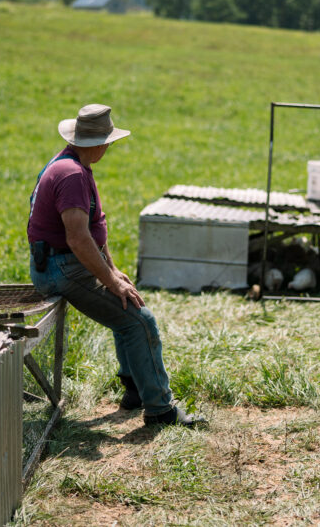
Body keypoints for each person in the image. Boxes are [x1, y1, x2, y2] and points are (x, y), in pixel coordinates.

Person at [27, 104, 203, 427]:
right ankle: (160, 408)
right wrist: (110, 280)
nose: (109, 146)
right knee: (140, 321)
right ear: (94, 143)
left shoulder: (68, 164)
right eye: (107, 140)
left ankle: (135, 389)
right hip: (62, 267)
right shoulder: (72, 175)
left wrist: (113, 269)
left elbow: (93, 226)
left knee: (127, 303)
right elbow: (78, 238)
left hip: (59, 262)